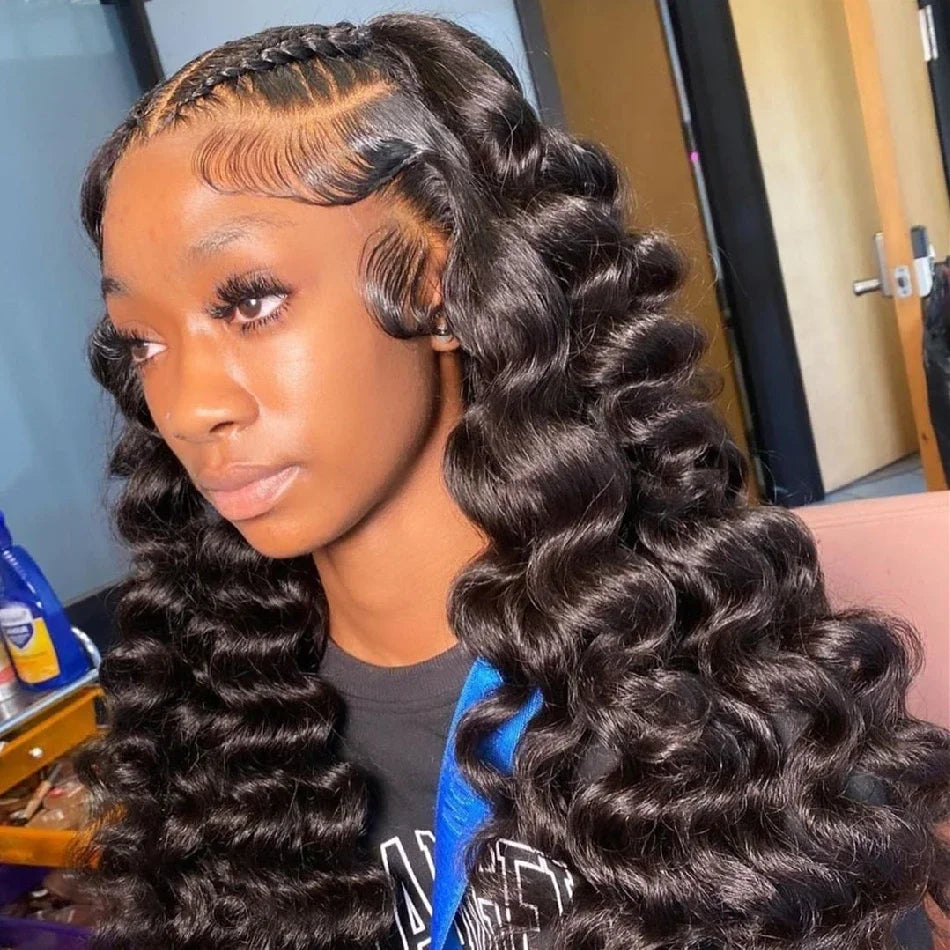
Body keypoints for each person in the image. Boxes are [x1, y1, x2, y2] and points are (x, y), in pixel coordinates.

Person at [71, 12, 949, 950]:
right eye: (144, 342)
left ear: (442, 279)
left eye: (250, 301)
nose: (189, 406)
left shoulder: (702, 712)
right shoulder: (202, 719)